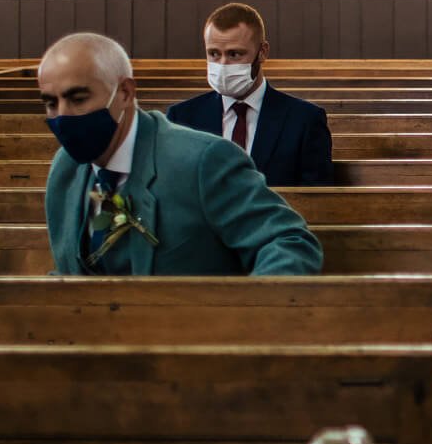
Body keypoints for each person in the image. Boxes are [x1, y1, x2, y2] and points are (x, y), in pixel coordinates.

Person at [39, 32, 323, 277]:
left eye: (78, 99)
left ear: (125, 92)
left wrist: (244, 319)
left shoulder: (203, 161)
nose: (62, 115)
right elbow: (70, 271)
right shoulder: (66, 169)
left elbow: (289, 242)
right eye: (51, 103)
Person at [166, 2, 334, 187]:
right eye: (213, 53)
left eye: (235, 54)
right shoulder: (181, 117)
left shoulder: (304, 120)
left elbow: (317, 200)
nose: (222, 64)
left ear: (262, 52)